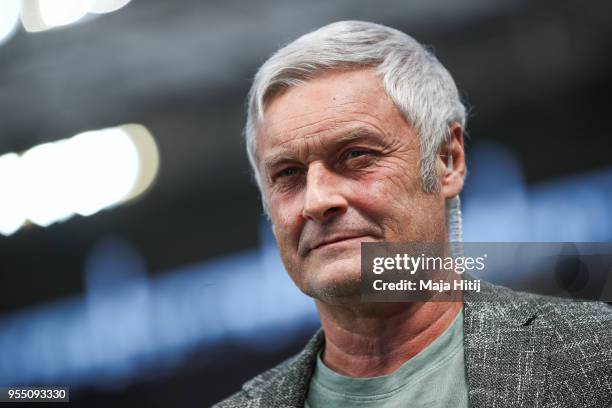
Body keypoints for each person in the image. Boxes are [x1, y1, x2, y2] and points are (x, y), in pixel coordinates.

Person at [215, 21, 612, 407]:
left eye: (356, 155)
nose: (316, 200)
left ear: (448, 160)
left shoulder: (594, 358)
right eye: (288, 174)